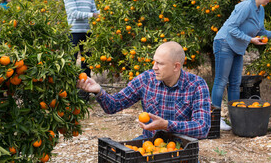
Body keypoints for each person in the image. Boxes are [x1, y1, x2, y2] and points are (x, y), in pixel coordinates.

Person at [77, 41, 211, 140]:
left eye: (160, 63)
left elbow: (202, 128)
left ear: (176, 66)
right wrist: (98, 91)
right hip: (149, 144)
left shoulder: (196, 85)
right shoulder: (146, 79)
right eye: (154, 62)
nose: (154, 67)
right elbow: (114, 105)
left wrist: (166, 125)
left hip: (181, 148)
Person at [211, 0, 271, 131]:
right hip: (224, 42)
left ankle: (234, 117)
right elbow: (231, 28)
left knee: (236, 83)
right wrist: (250, 39)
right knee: (221, 81)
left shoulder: (260, 10)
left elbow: (261, 31)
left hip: (238, 47)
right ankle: (215, 119)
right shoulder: (245, 6)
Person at [64, 0, 99, 100]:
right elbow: (73, 13)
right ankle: (70, 93)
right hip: (73, 32)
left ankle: (84, 95)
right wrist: (93, 15)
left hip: (87, 33)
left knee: (87, 64)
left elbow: (95, 10)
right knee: (71, 63)